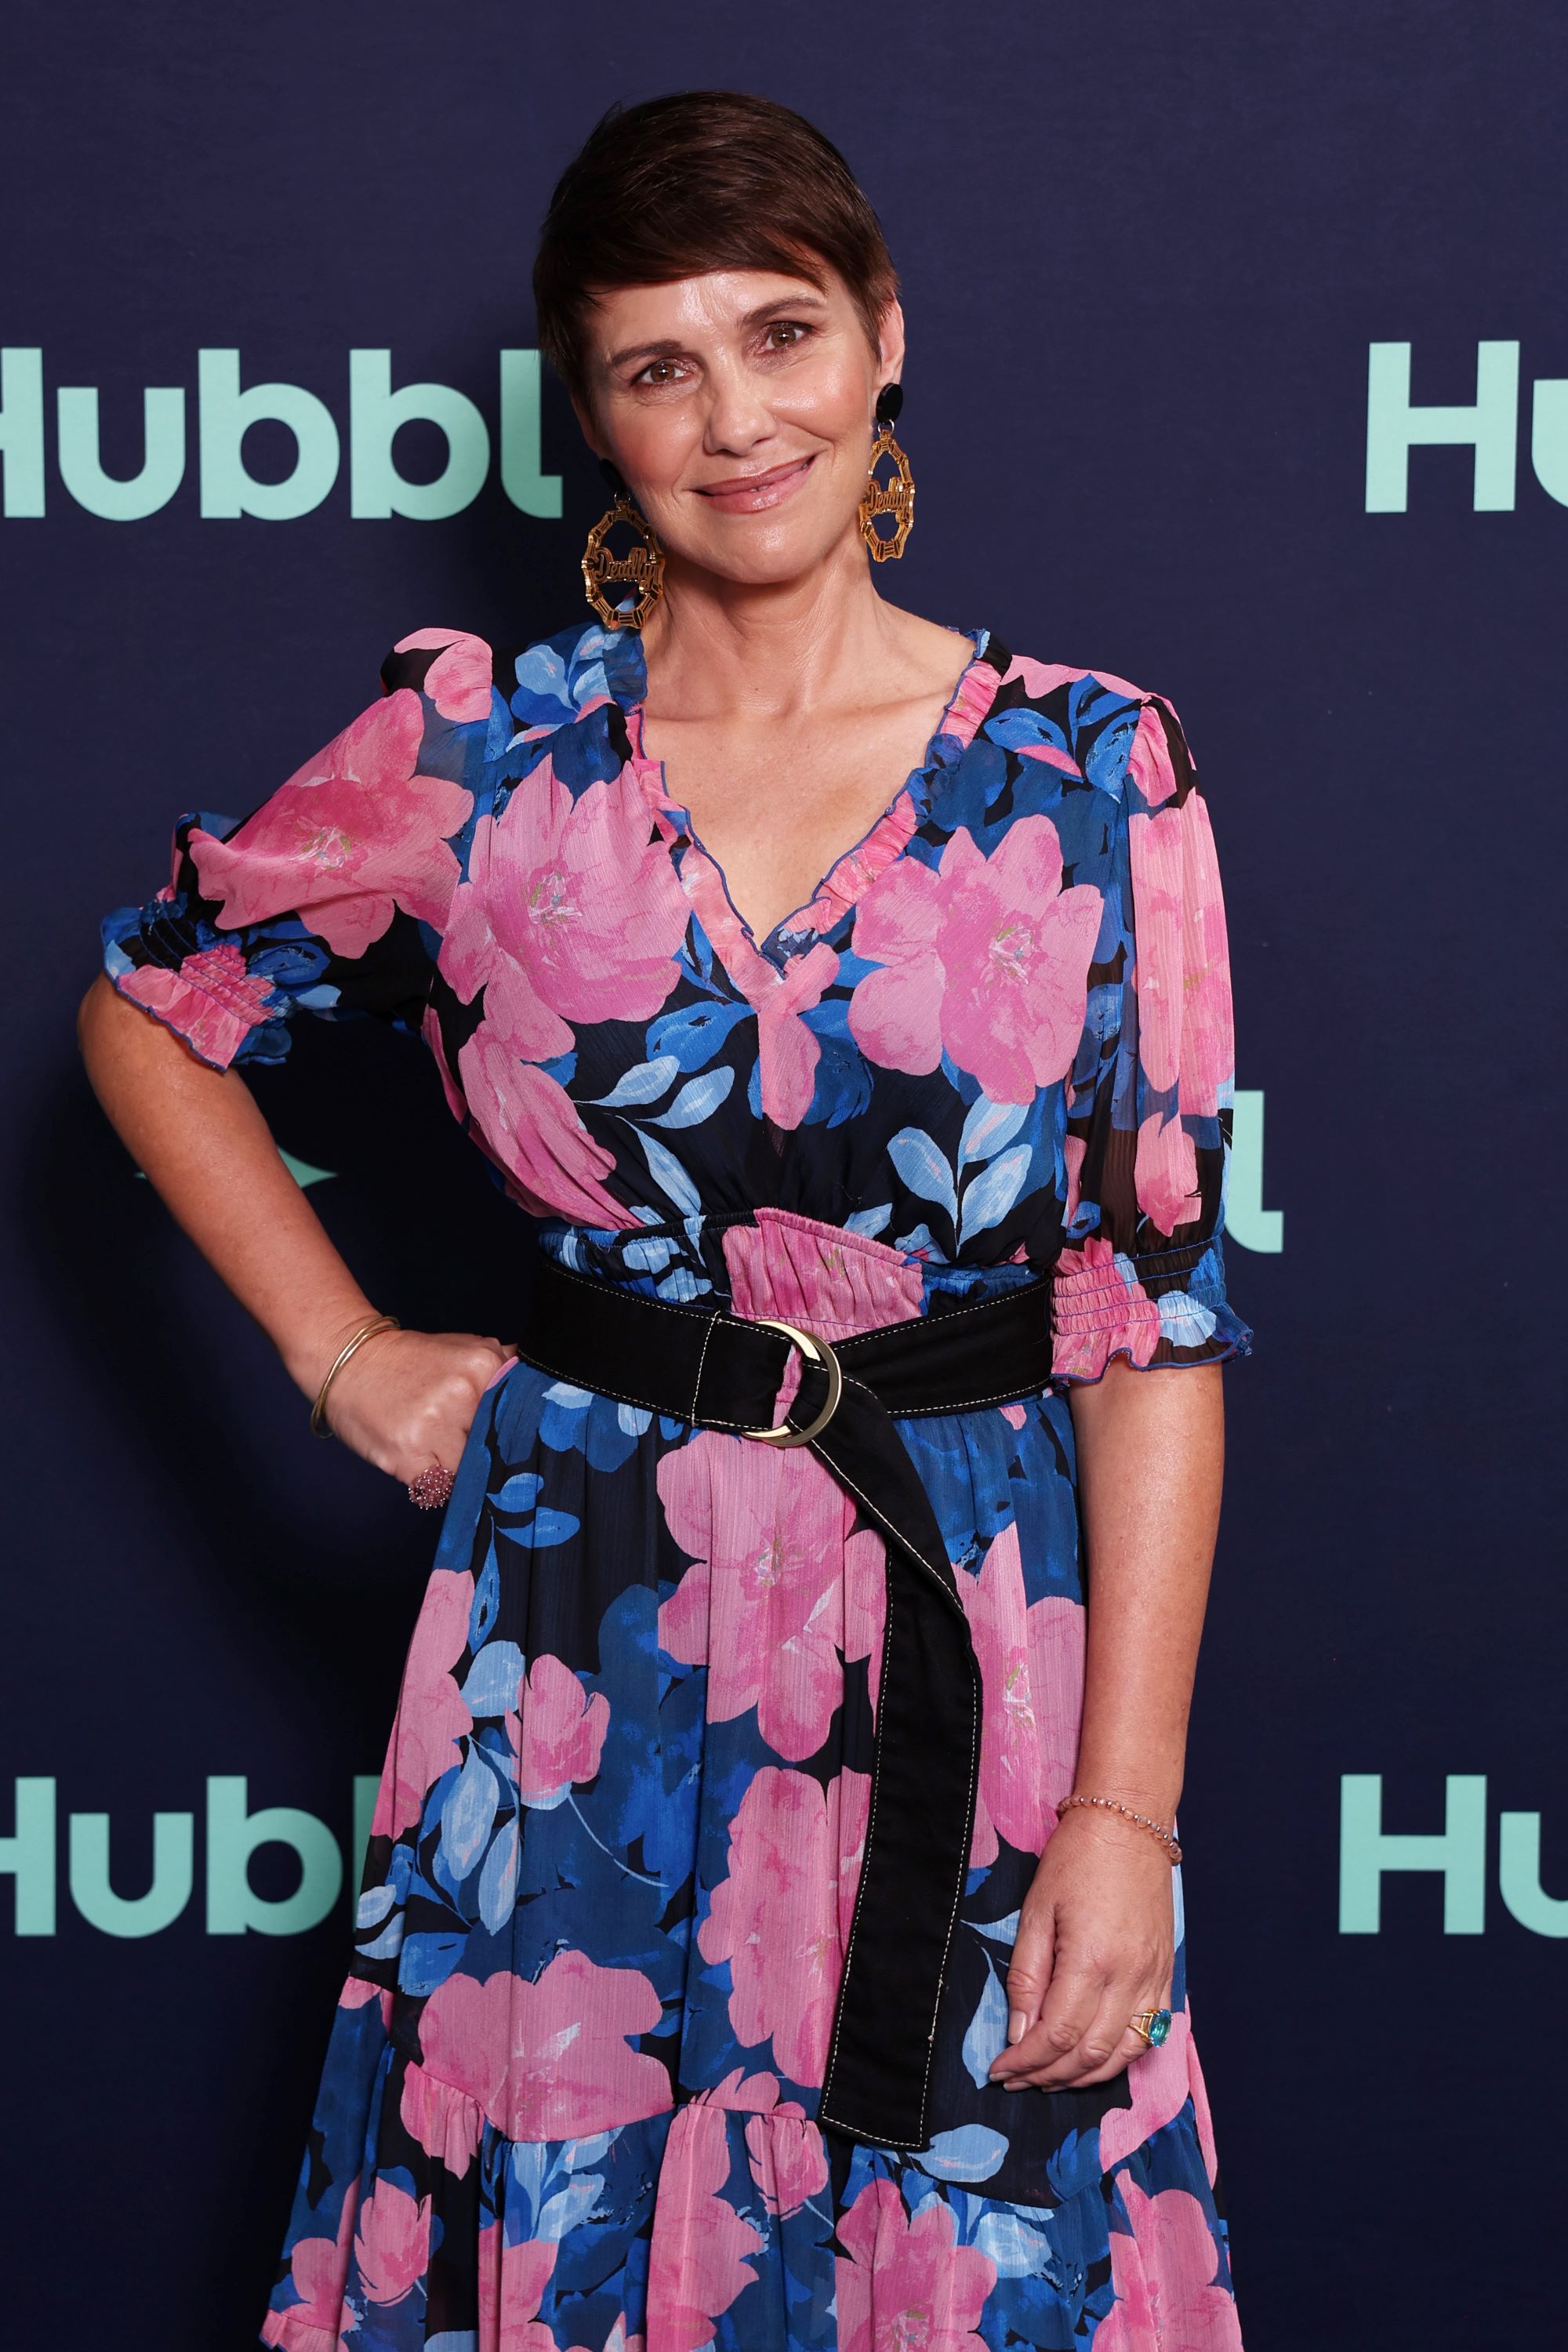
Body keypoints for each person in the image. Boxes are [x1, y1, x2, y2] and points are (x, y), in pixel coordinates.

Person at [80, 88, 1250, 2352]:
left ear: (884, 342)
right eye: (659, 367)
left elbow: (1152, 1317)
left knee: (986, 2234)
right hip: (579, 1629)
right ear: (592, 421)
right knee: (573, 2224)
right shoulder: (483, 756)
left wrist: (1128, 1811)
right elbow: (158, 1008)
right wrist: (344, 1353)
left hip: (974, 1631)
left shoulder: (1102, 764)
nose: (737, 421)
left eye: (781, 333)